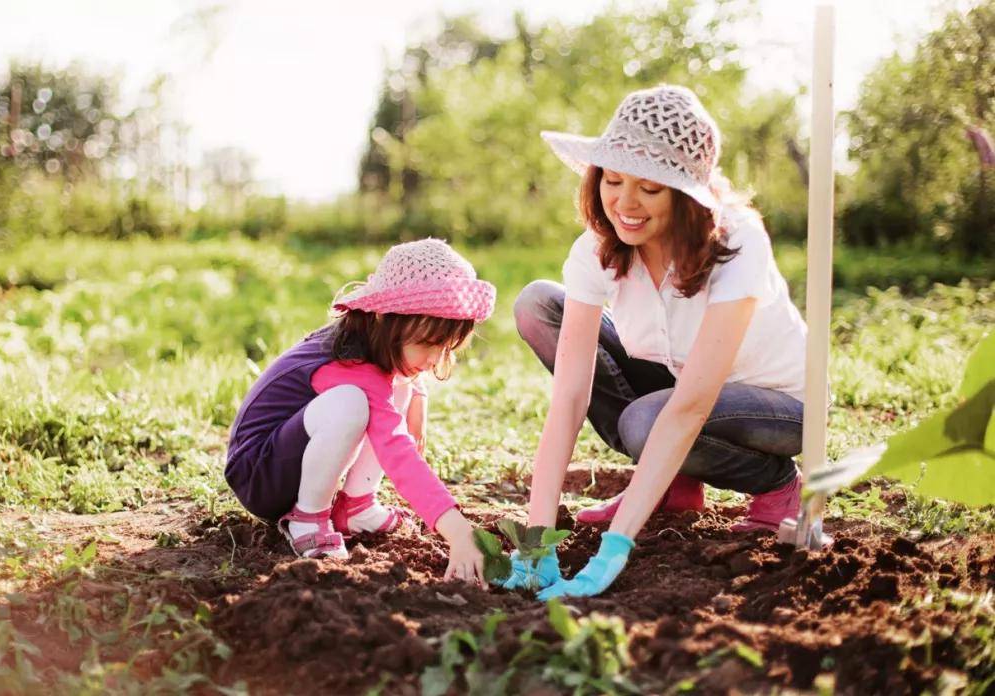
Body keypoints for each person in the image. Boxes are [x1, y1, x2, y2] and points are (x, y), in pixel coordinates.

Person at [505, 84, 809, 598]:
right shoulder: (599, 248)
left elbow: (689, 406)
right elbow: (571, 397)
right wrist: (537, 541)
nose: (625, 203)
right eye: (613, 179)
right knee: (540, 305)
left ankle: (777, 486)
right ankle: (673, 485)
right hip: (679, 382)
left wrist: (613, 551)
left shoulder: (737, 242)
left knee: (647, 423)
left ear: (686, 197)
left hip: (778, 408)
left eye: (649, 188)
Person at [224, 239, 496, 586]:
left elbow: (400, 387)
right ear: (385, 318)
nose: (434, 359)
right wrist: (457, 531)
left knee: (398, 385)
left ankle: (356, 506)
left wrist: (416, 395)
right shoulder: (348, 363)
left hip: (290, 460)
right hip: (260, 475)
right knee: (352, 402)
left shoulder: (374, 345)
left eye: (445, 348)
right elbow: (397, 451)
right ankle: (308, 519)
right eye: (428, 345)